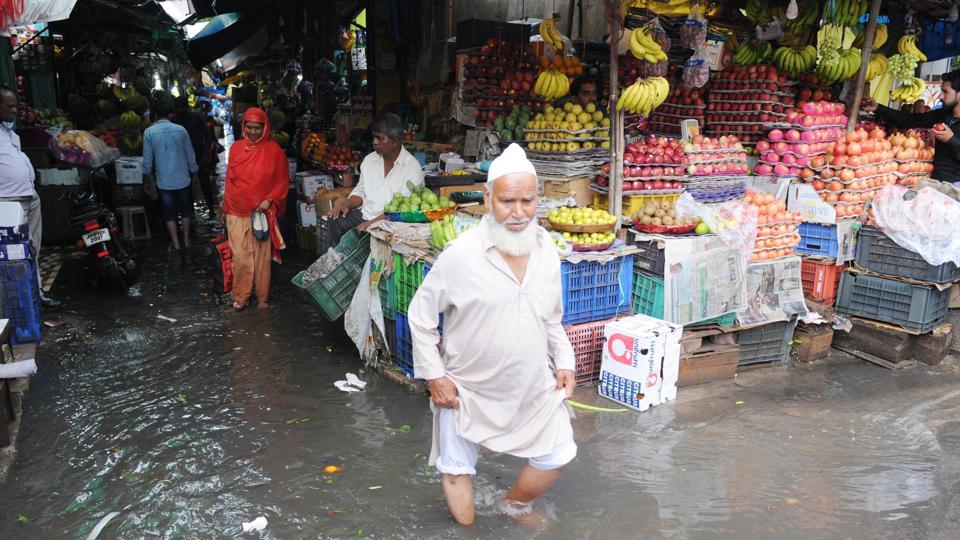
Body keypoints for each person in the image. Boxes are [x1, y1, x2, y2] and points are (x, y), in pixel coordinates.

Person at [407, 143, 577, 526]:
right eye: (507, 201)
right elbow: (420, 316)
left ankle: (513, 504)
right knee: (456, 469)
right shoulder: (460, 255)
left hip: (531, 383)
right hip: (467, 388)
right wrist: (435, 376)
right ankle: (468, 532)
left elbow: (552, 316)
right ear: (487, 199)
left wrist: (564, 360)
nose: (518, 213)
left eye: (527, 201)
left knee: (558, 453)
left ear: (539, 198)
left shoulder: (546, 247)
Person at [223, 108, 289, 311]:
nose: (252, 132)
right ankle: (241, 295)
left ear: (265, 127)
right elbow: (230, 180)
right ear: (243, 127)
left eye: (257, 128)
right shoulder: (235, 148)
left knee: (261, 258)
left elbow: (282, 180)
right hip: (236, 209)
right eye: (249, 127)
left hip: (261, 213)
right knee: (240, 256)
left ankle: (262, 297)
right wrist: (225, 204)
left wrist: (270, 199)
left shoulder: (274, 151)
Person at [0, 85, 59, 307]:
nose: (14, 110)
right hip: (8, 202)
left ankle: (36, 292)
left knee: (33, 248)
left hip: (29, 197)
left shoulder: (9, 132)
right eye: (9, 106)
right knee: (13, 253)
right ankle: (18, 299)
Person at [325, 113, 424, 243]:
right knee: (335, 219)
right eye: (374, 137)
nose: (374, 142)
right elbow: (360, 191)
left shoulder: (412, 169)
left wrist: (372, 223)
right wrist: (347, 204)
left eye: (380, 138)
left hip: (391, 223)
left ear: (394, 141)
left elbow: (404, 210)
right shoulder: (370, 160)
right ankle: (336, 261)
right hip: (365, 216)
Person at [862, 70, 960, 182]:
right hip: (936, 182)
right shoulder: (942, 115)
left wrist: (951, 140)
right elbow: (910, 120)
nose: (940, 96)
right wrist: (878, 107)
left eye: (945, 92)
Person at [143, 100, 199, 250]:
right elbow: (190, 154)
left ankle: (176, 243)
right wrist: (194, 172)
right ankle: (186, 239)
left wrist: (147, 175)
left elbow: (147, 161)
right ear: (170, 114)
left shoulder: (149, 132)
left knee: (169, 213)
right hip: (182, 178)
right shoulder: (181, 130)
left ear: (155, 115)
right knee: (185, 209)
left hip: (163, 180)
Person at [174, 96, 218, 213]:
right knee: (189, 186)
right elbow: (207, 134)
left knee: (204, 184)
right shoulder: (176, 119)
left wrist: (206, 152)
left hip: (198, 155)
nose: (179, 111)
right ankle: (194, 211)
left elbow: (207, 134)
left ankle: (210, 208)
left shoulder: (194, 117)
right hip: (185, 157)